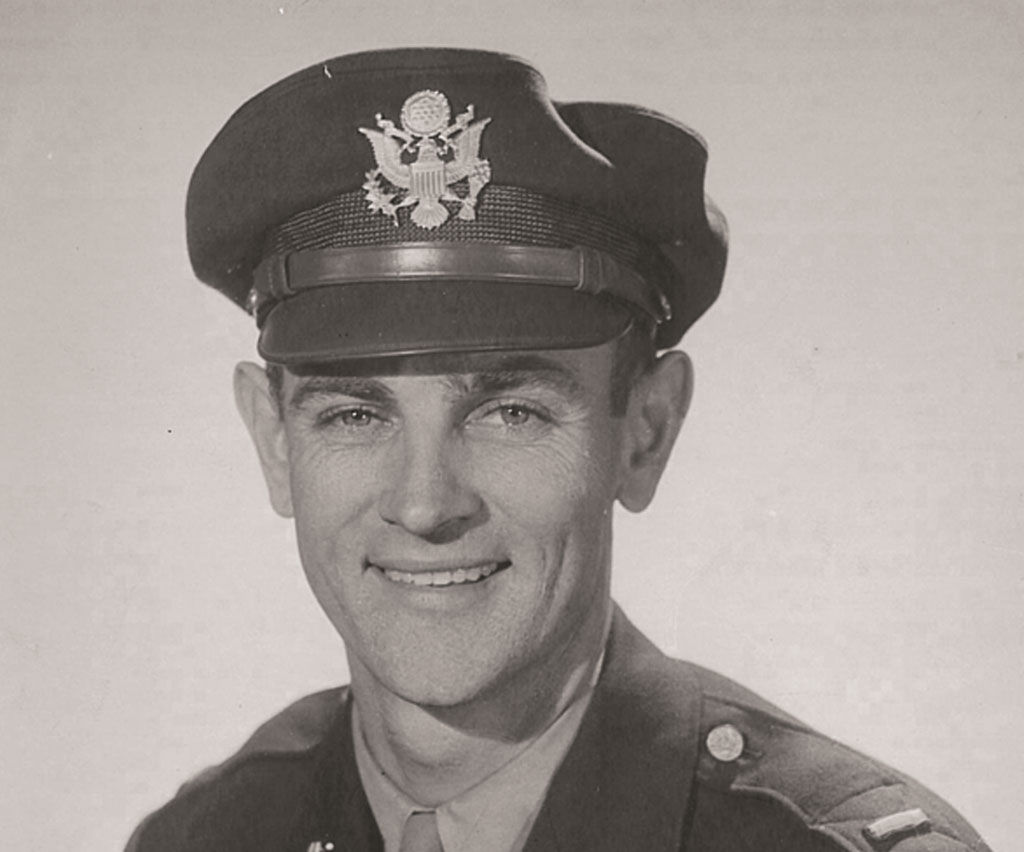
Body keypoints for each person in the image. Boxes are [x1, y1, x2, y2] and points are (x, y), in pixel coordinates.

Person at [127, 48, 990, 852]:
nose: (424, 504)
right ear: (274, 440)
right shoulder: (207, 837)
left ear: (645, 431)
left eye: (510, 413)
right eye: (354, 416)